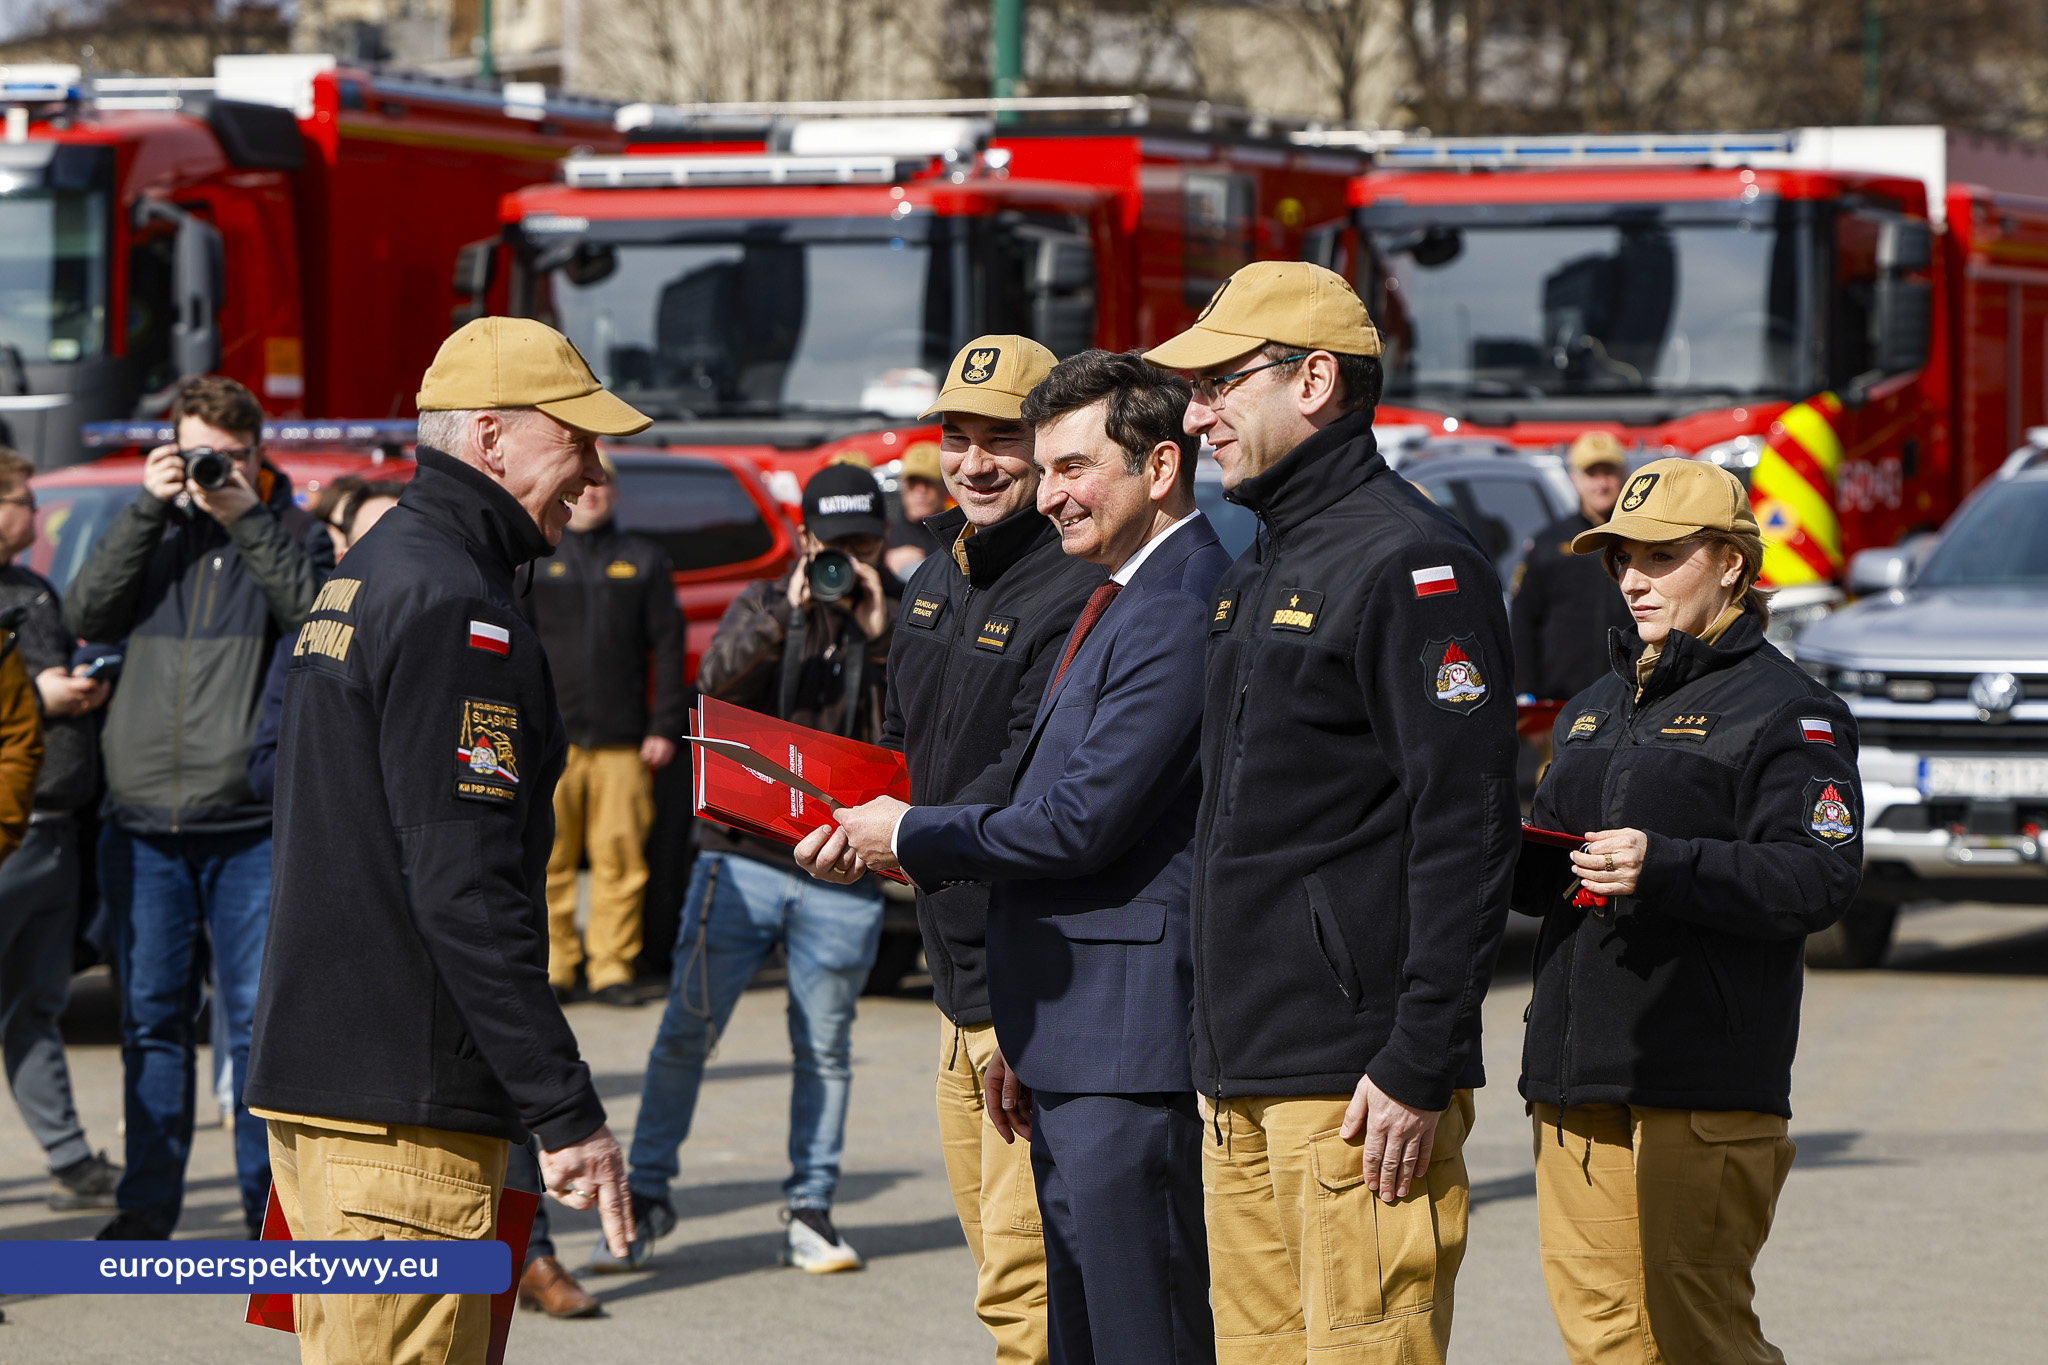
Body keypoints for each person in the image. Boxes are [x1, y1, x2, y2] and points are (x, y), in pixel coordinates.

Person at [817, 349, 1228, 1364]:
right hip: (1052, 1023)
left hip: (1125, 1042)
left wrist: (905, 834)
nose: (1047, 494)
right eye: (1037, 465)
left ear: (1160, 469)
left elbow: (1077, 819)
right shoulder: (1108, 590)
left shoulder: (1174, 604)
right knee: (1074, 1323)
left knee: (1133, 1329)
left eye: (1068, 467)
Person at [1144, 261, 1518, 1365]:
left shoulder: (1412, 563)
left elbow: (1469, 826)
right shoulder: (1264, 556)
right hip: (1241, 1074)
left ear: (1315, 381)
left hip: (1354, 1090)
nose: (1194, 412)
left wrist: (1417, 1058)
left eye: (1218, 382)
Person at [245, 316, 640, 1361]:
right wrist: (566, 1109)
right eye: (578, 440)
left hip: (342, 1091)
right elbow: (461, 884)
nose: (593, 470)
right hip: (401, 1114)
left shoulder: (379, 564)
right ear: (491, 437)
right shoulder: (459, 604)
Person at [1515, 457, 1862, 1365]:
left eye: (1663, 555)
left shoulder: (1794, 711)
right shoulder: (1590, 708)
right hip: (1575, 1075)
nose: (1634, 577)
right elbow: (1551, 862)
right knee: (1603, 1341)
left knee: (1697, 1334)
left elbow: (1817, 880)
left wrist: (1665, 863)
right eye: (1622, 556)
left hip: (1701, 1083)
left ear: (1733, 564)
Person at [823, 334, 1100, 1361]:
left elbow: (1029, 785)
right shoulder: (937, 569)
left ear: (1054, 447)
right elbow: (908, 750)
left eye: (1003, 440)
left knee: (1027, 1287)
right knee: (998, 1268)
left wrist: (897, 834)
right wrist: (847, 819)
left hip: (1030, 985)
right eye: (957, 436)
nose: (975, 462)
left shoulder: (1076, 587)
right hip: (954, 976)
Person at [600, 461, 901, 1277]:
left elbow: (904, 738)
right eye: (833, 544)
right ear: (804, 540)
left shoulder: (896, 620)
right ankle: (650, 1195)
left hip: (843, 869)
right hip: (742, 860)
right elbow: (710, 688)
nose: (849, 559)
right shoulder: (767, 604)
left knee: (827, 1048)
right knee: (684, 1035)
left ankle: (811, 1208)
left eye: (864, 541)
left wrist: (882, 641)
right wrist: (789, 620)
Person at [62, 374, 331, 1240]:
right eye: (192, 450)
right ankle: (146, 1207)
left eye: (225, 451)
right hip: (140, 823)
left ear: (256, 452)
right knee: (149, 1020)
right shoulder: (143, 529)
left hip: (248, 825)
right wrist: (147, 509)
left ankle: (266, 1215)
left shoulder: (288, 529)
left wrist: (241, 514)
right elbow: (84, 610)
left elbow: (315, 620)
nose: (207, 465)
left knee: (259, 1030)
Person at [0, 451, 121, 1212]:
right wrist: (39, 698)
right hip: (8, 839)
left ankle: (70, 1157)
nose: (36, 517)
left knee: (34, 1004)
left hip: (54, 836)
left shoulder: (35, 588)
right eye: (21, 500)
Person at [521, 457, 686, 1006]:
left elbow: (668, 650)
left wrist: (663, 726)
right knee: (551, 859)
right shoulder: (540, 555)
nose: (592, 494)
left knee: (621, 860)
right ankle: (556, 967)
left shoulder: (643, 560)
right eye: (585, 484)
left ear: (615, 495)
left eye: (603, 485)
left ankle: (613, 968)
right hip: (553, 742)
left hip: (623, 741)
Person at [1512, 430, 1634, 704]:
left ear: (1625, 474)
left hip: (1629, 697)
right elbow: (1523, 623)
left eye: (1609, 473)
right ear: (1574, 478)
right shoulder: (1548, 544)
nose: (1602, 484)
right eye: (1592, 474)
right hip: (1561, 701)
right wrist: (1526, 692)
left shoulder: (1644, 541)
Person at [885, 440, 948, 576]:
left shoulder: (959, 534)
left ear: (945, 487)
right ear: (904, 487)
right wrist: (885, 562)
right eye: (913, 482)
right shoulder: (885, 534)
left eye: (928, 483)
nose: (920, 491)